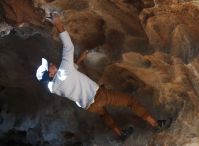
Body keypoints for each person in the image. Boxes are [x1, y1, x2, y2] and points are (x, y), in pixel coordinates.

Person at [36, 13, 171, 141]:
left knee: (103, 113)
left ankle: (120, 134)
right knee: (130, 101)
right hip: (99, 96)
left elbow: (70, 75)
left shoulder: (54, 87)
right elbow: (68, 47)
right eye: (50, 66)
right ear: (51, 74)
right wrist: (58, 23)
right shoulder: (63, 72)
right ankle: (156, 124)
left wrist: (80, 60)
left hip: (89, 106)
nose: (52, 64)